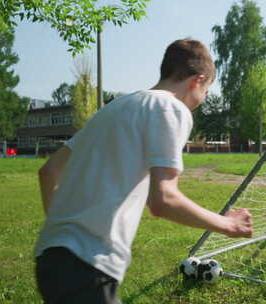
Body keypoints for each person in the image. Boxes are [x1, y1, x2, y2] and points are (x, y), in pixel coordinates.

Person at [34, 39, 253, 304]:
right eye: (206, 90)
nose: (203, 99)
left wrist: (65, 231)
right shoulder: (172, 108)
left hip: (50, 258)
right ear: (197, 80)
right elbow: (163, 200)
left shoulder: (112, 109)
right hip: (88, 264)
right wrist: (228, 224)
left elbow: (48, 172)